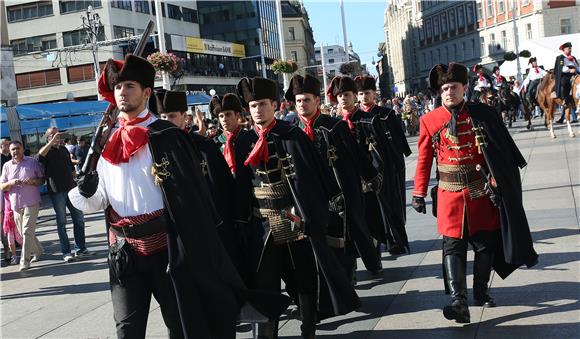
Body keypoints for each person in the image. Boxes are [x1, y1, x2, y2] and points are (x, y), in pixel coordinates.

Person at [69, 55, 288, 338]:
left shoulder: (165, 136)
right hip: (124, 250)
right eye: (119, 86)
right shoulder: (106, 141)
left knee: (180, 325)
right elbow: (100, 199)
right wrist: (85, 190)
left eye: (130, 86)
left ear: (146, 93)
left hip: (166, 249)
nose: (123, 92)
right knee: (126, 329)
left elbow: (190, 197)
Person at [412, 62, 538, 324]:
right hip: (449, 193)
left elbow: (499, 153)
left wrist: (497, 180)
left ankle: (480, 291)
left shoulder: (483, 114)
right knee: (452, 246)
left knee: (484, 244)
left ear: (465, 88)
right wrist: (418, 191)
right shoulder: (429, 120)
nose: (449, 92)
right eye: (444, 88)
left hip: (480, 191)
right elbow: (424, 159)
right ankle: (458, 301)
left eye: (454, 87)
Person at [237, 76, 360, 338]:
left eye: (263, 104)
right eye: (253, 106)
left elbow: (311, 179)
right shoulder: (244, 140)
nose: (258, 110)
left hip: (294, 222)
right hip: (263, 225)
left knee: (302, 280)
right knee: (264, 284)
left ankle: (308, 328)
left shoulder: (291, 135)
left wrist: (310, 217)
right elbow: (240, 185)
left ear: (275, 105)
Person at [288, 74, 383, 280]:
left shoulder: (334, 125)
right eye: (298, 101)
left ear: (317, 101)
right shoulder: (293, 132)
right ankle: (344, 270)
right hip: (315, 191)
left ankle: (371, 261)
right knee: (330, 231)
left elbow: (357, 153)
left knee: (353, 226)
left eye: (306, 100)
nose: (302, 104)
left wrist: (370, 175)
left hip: (344, 185)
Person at [328, 75, 409, 256]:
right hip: (351, 174)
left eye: (366, 93)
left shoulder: (380, 115)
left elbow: (393, 143)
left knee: (386, 206)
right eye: (340, 96)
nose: (343, 99)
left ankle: (394, 239)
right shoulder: (335, 122)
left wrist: (388, 166)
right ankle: (371, 247)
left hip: (377, 169)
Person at [355, 75, 411, 254]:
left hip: (388, 165)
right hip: (366, 167)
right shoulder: (354, 117)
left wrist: (397, 162)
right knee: (371, 205)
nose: (364, 97)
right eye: (361, 93)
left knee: (391, 203)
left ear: (374, 94)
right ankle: (377, 240)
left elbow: (398, 138)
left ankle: (397, 239)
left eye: (367, 93)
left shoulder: (386, 114)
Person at [38, 127, 91, 263]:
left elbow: (71, 169)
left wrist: (77, 182)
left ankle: (80, 249)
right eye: (54, 135)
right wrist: (51, 142)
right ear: (48, 137)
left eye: (58, 135)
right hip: (56, 191)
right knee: (62, 223)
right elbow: (39, 156)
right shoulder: (47, 151)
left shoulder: (64, 150)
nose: (58, 137)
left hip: (71, 189)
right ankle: (66, 252)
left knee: (79, 219)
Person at [0, 141, 44, 271]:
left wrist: (33, 181)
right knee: (25, 232)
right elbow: (2, 186)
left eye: (17, 149)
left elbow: (42, 179)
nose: (15, 152)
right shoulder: (7, 166)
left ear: (23, 149)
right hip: (15, 204)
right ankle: (39, 251)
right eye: (13, 149)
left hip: (31, 202)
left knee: (26, 231)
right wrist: (11, 182)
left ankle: (24, 260)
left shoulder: (32, 162)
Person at [553, 42, 580, 123]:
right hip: (566, 75)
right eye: (568, 48)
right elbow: (561, 68)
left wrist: (577, 70)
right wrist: (570, 70)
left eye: (570, 48)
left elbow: (577, 67)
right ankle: (564, 100)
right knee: (564, 83)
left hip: (575, 73)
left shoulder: (573, 58)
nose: (570, 50)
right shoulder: (560, 58)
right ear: (564, 50)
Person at [1, 138, 12, 262]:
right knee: (3, 222)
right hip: (2, 194)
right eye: (5, 144)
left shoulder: (13, 157)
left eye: (8, 144)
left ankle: (14, 243)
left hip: (13, 193)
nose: (7, 146)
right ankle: (7, 249)